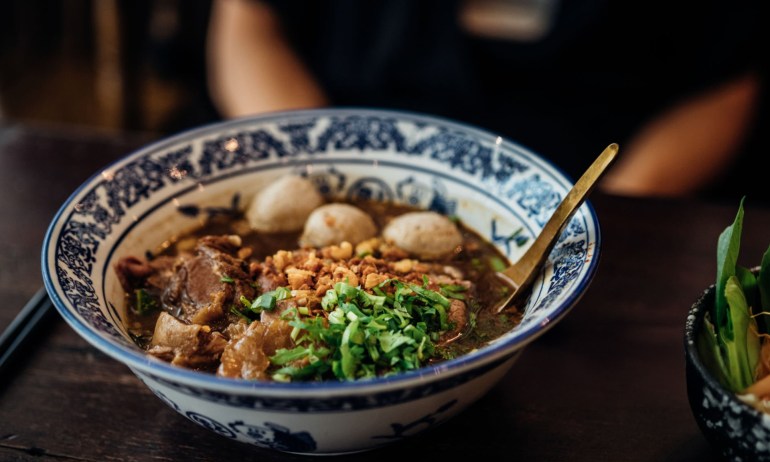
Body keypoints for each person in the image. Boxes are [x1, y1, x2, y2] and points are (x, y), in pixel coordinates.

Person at [205, 0, 764, 199]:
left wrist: (599, 215)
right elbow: (251, 19)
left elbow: (723, 83)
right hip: (346, 142)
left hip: (596, 170)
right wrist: (312, 172)